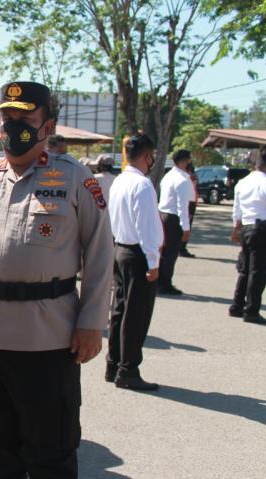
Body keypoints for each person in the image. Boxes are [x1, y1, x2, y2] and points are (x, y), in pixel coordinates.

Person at [0, 82, 113, 479]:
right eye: (6, 118)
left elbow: (101, 254)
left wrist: (92, 323)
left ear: (46, 125)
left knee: (51, 426)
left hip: (48, 327)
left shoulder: (74, 177)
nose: (12, 127)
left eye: (24, 119)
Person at [106, 133, 164, 391]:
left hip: (120, 248)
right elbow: (147, 227)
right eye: (151, 157)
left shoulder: (120, 181)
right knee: (135, 314)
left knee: (120, 310)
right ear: (146, 156)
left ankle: (114, 363)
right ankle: (128, 370)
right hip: (137, 253)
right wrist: (153, 261)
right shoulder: (142, 185)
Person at [229, 149, 266, 324]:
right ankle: (251, 311)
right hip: (263, 230)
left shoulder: (243, 182)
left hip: (246, 228)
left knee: (245, 270)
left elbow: (236, 211)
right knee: (259, 272)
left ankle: (237, 306)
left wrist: (236, 229)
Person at [157, 149, 195, 295]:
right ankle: (165, 284)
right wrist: (186, 228)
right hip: (173, 218)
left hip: (162, 215)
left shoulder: (167, 176)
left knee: (162, 252)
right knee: (171, 253)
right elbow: (182, 206)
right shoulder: (183, 180)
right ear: (187, 160)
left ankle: (159, 281)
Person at [180, 162, 198, 258]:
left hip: (192, 204)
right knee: (186, 228)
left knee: (187, 227)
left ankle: (182, 247)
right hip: (188, 205)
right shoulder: (186, 180)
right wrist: (190, 211)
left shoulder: (191, 179)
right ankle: (182, 248)